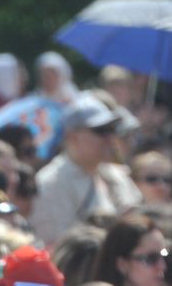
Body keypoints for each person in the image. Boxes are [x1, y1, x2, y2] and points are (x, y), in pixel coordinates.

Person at [28, 96, 140, 246]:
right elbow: (59, 247)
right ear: (72, 136)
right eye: (101, 130)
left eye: (112, 130)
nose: (110, 138)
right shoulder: (50, 183)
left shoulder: (116, 175)